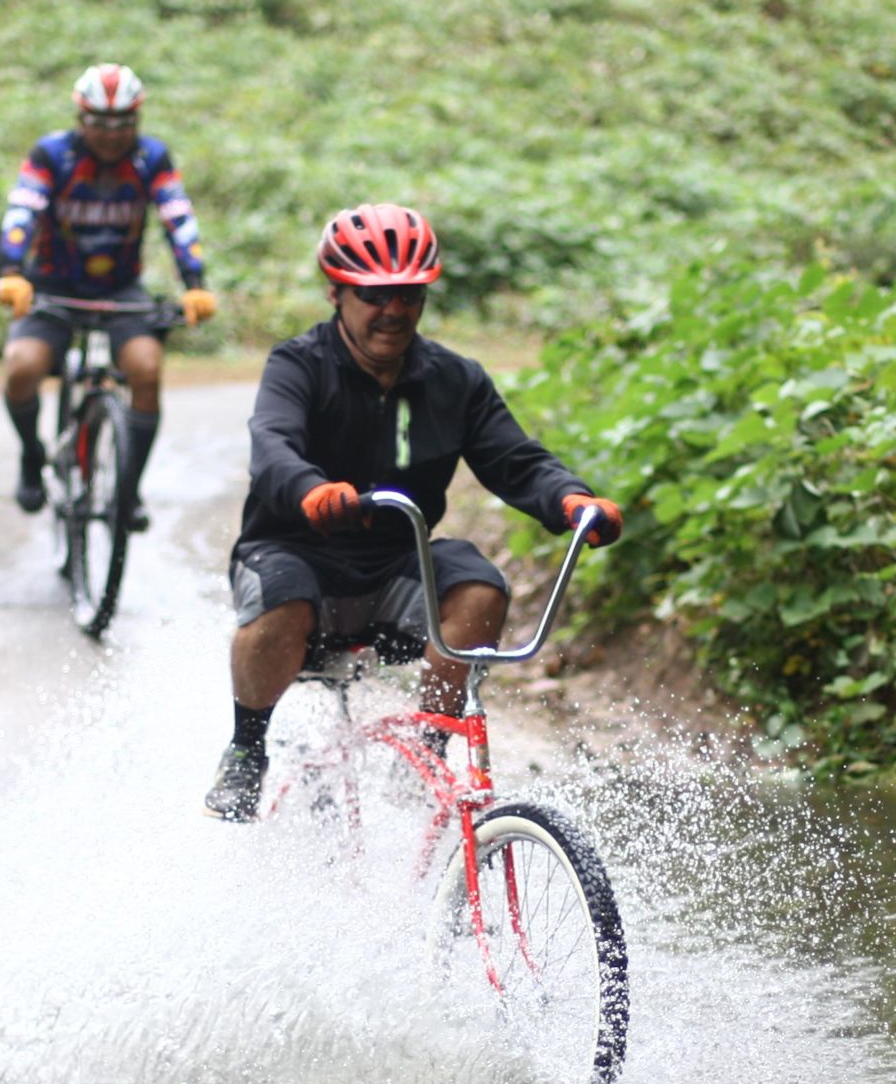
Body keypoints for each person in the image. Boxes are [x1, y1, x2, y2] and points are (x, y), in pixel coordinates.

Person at [203, 203, 623, 822]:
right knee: (282, 595)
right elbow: (273, 448)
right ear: (337, 292)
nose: (394, 311)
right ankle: (246, 749)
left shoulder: (455, 380)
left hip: (400, 565)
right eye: (375, 296)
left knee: (480, 587)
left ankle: (425, 754)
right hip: (294, 551)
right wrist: (312, 490)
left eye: (409, 294)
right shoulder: (298, 365)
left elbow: (515, 459)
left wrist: (572, 499)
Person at [0, 62, 217, 518]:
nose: (112, 134)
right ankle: (32, 455)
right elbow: (22, 211)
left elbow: (178, 218)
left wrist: (195, 283)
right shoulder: (52, 155)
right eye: (99, 123)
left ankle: (128, 489)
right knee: (22, 367)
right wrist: (11, 270)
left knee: (146, 371)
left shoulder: (150, 158)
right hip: (51, 285)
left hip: (120, 289)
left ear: (137, 120)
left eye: (123, 123)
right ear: (81, 119)